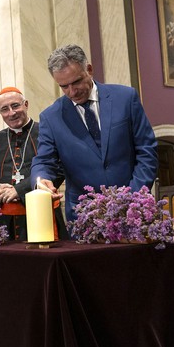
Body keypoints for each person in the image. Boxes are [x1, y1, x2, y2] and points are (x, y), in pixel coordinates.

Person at [31, 44, 158, 222]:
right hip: (84, 215)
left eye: (76, 82)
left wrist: (133, 197)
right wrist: (41, 180)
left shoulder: (125, 98)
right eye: (64, 86)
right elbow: (44, 161)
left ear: (89, 70)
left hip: (133, 211)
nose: (72, 91)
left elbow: (147, 150)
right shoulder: (51, 117)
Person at [0, 86, 67, 241]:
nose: (11, 112)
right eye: (5, 109)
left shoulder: (46, 132)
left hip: (42, 215)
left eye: (15, 105)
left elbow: (59, 168)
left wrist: (19, 190)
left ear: (26, 104)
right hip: (3, 221)